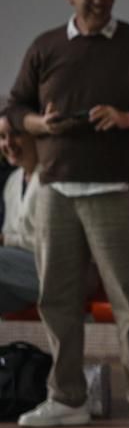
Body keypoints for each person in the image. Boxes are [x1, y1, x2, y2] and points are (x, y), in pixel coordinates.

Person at [8, 0, 129, 428]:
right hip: (56, 188)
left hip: (117, 189)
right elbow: (16, 106)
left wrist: (128, 119)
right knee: (56, 297)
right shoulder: (47, 46)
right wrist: (41, 123)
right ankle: (66, 397)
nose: (100, 1)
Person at [0, 112, 41, 314]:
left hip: (65, 274)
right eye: (1, 137)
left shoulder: (53, 178)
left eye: (15, 134)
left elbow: (55, 246)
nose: (8, 143)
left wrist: (6, 240)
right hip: (25, 274)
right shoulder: (13, 181)